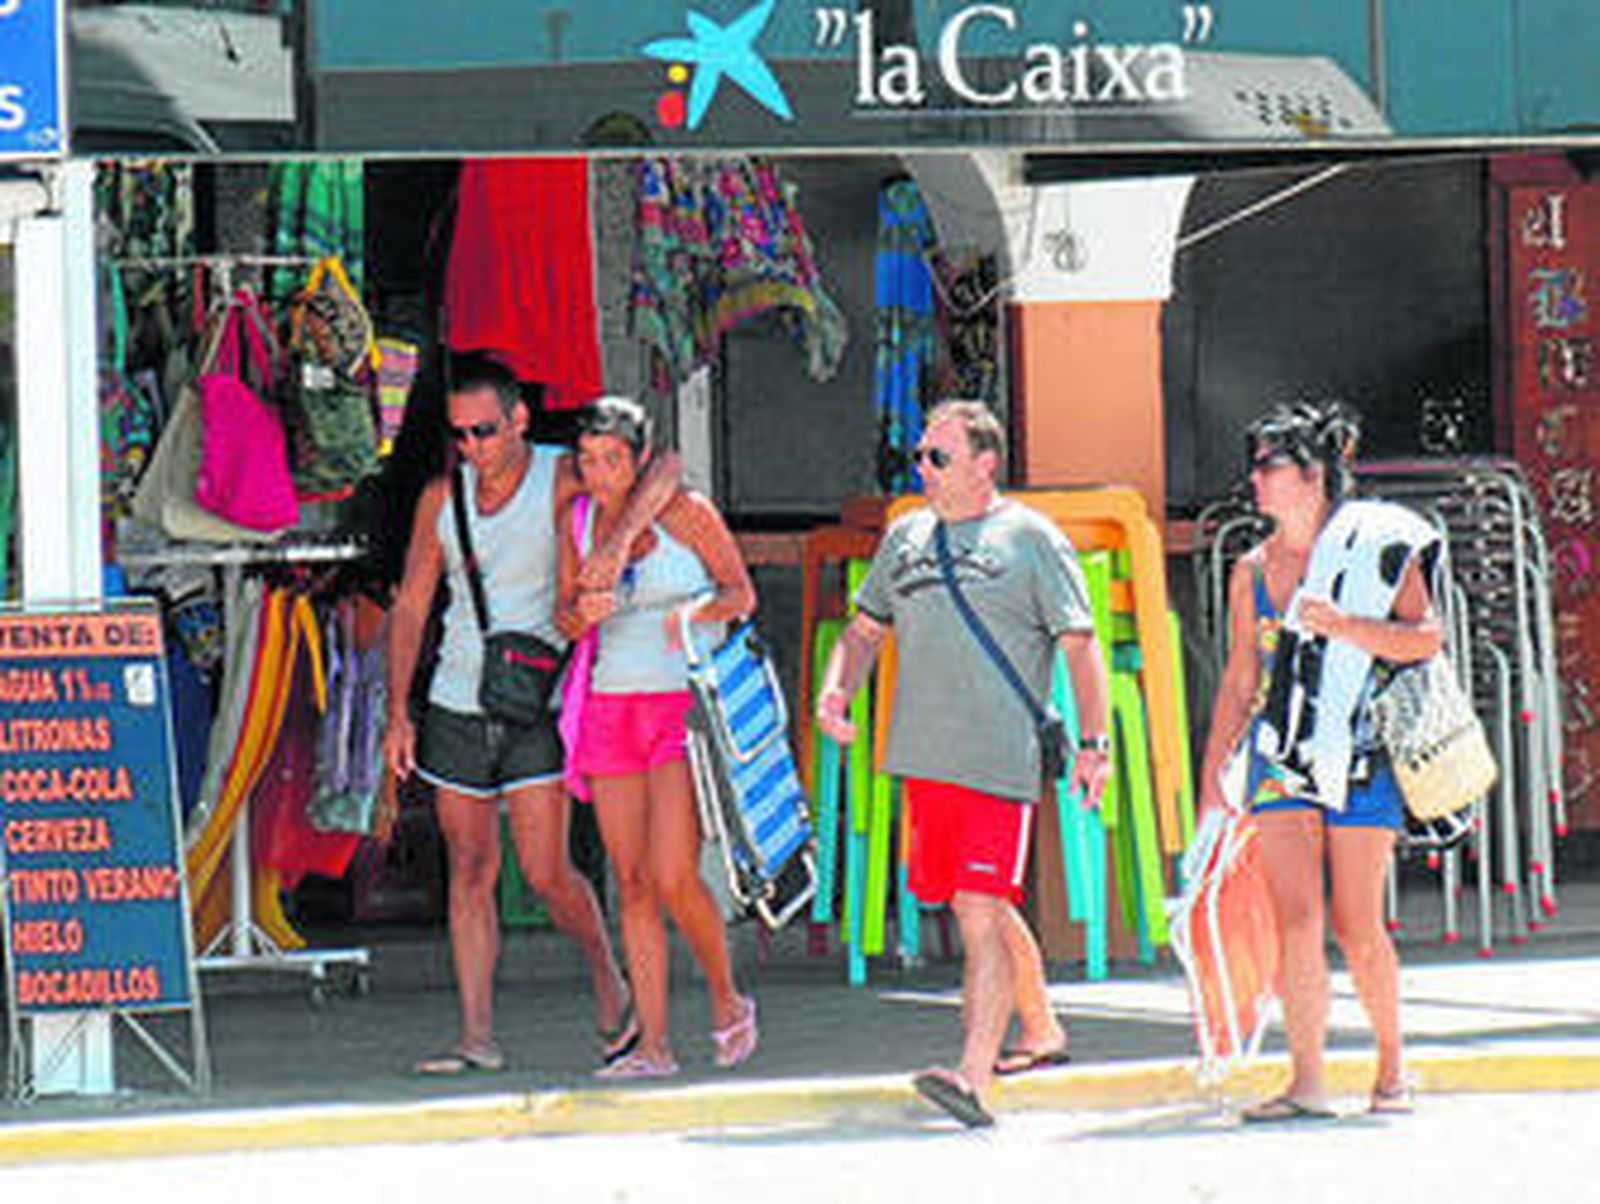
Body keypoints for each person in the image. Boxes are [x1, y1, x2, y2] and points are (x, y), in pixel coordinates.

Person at [815, 399, 1112, 1128]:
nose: (922, 469)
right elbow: (863, 629)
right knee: (977, 902)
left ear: (985, 465)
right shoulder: (905, 537)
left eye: (937, 458)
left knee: (980, 910)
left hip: (996, 756)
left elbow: (1080, 644)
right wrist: (835, 690)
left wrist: (1095, 744)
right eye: (918, 456)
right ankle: (1041, 1030)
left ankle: (972, 1077)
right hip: (924, 756)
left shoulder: (1030, 539)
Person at [383, 356, 680, 1075]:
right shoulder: (440, 498)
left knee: (547, 872)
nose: (472, 447)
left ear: (518, 420)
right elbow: (413, 606)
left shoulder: (561, 473)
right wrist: (398, 712)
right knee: (471, 867)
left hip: (538, 698)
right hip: (458, 697)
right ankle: (476, 1034)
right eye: (460, 435)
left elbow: (666, 468)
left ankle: (609, 982)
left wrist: (610, 545)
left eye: (484, 431)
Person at [1197, 400, 1441, 1121]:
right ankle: (1308, 1081)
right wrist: (1216, 771)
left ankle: (1392, 1067)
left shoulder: (1369, 549)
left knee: (1357, 923)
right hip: (1280, 756)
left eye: (1270, 464)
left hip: (1362, 752)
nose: (1256, 479)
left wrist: (1347, 627)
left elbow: (1425, 638)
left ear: (1313, 474)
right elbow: (1242, 676)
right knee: (1295, 917)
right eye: (1257, 464)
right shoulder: (1251, 571)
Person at [556, 397, 760, 1081]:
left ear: (640, 460)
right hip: (612, 706)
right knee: (633, 881)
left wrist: (695, 612)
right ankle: (654, 1046)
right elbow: (563, 619)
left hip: (680, 704)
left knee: (675, 874)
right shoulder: (579, 522)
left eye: (612, 459)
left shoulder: (686, 512)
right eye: (587, 460)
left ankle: (728, 998)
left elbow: (741, 594)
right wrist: (582, 612)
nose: (599, 474)